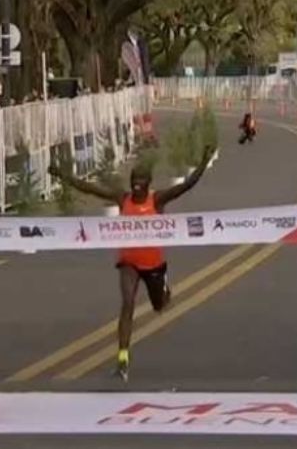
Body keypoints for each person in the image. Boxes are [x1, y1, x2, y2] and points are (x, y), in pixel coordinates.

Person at [49, 145, 215, 381]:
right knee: (127, 303)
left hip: (154, 265)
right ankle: (123, 359)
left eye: (141, 180)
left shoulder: (157, 200)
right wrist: (63, 176)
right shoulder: (122, 198)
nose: (136, 184)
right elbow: (91, 189)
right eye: (134, 180)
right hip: (129, 263)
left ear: (148, 183)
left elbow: (186, 186)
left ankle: (164, 287)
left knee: (160, 305)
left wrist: (203, 161)